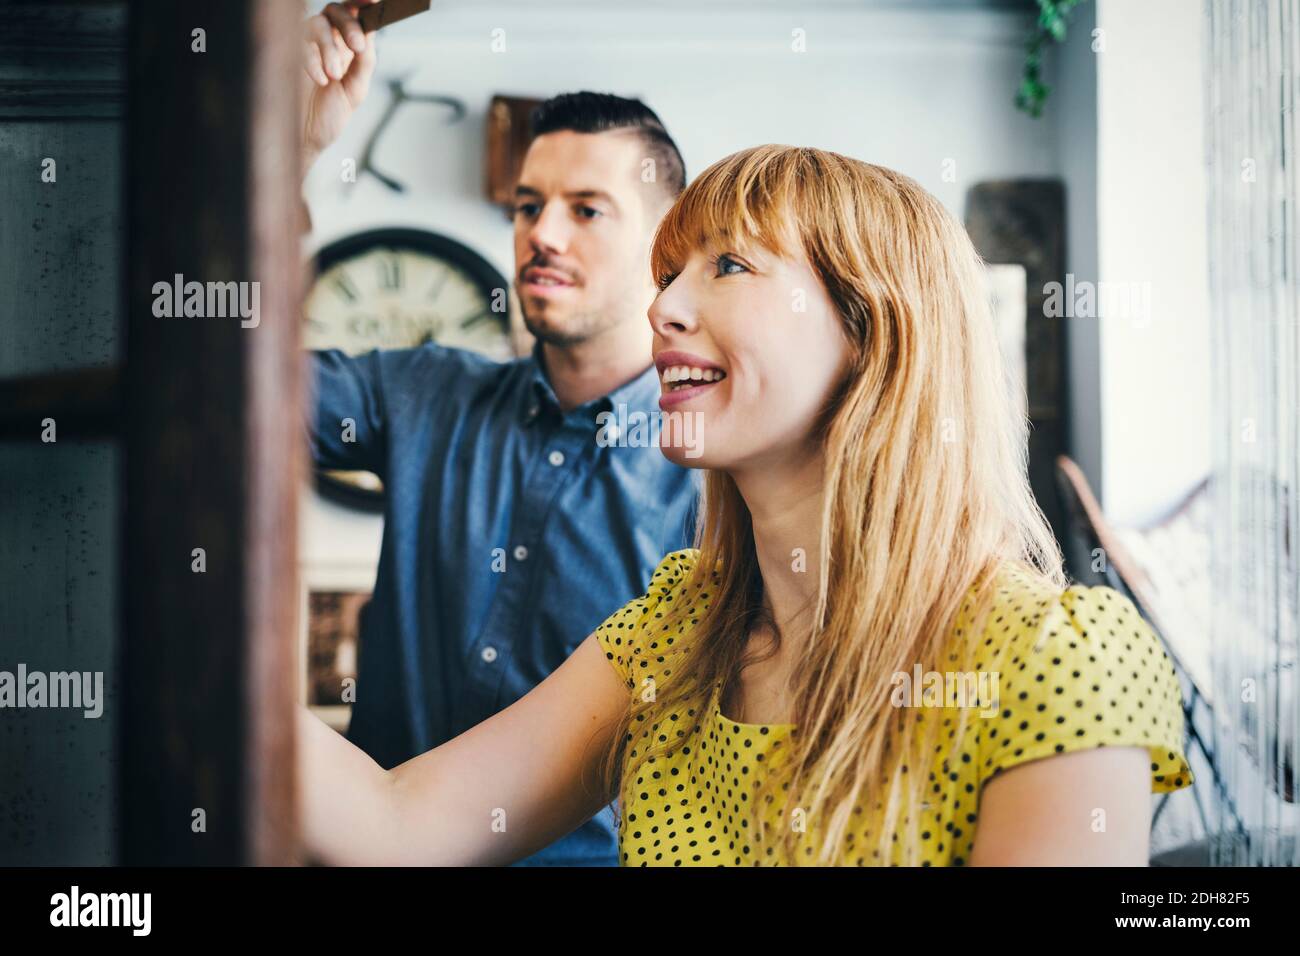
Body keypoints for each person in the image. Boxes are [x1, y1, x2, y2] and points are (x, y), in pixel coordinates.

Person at [297, 143, 1195, 867]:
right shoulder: (678, 629)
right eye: (670, 273)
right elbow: (397, 827)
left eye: (728, 264)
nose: (665, 308)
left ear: (871, 332)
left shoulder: (1057, 659)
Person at [299, 2, 700, 865]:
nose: (540, 235)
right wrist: (290, 149)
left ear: (667, 244)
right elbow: (227, 386)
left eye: (587, 210)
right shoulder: (418, 391)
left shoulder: (710, 473)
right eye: (528, 205)